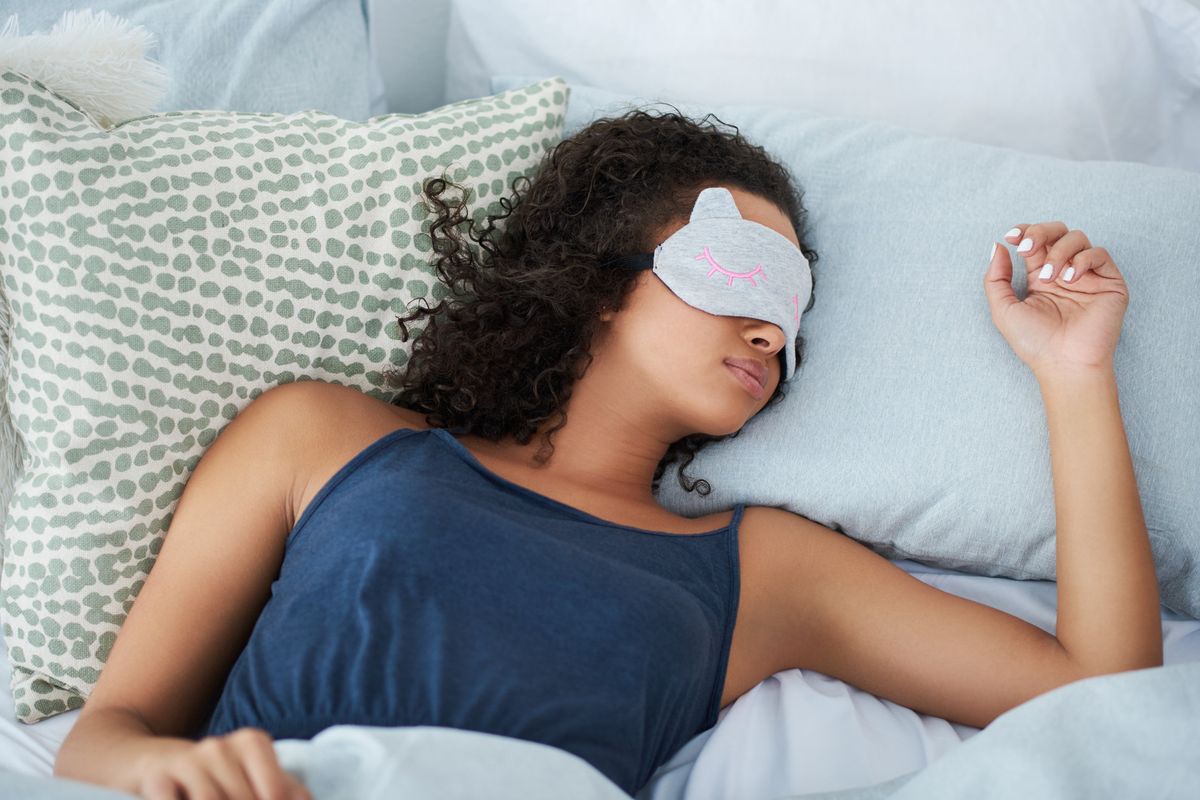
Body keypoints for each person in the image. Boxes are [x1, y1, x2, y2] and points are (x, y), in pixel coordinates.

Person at [53, 108, 1161, 799]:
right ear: (598, 275)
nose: (771, 330)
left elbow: (1101, 692)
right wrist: (170, 768)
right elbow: (104, 734)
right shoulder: (317, 438)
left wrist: (1074, 373)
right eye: (743, 277)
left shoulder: (760, 570)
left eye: (793, 311)